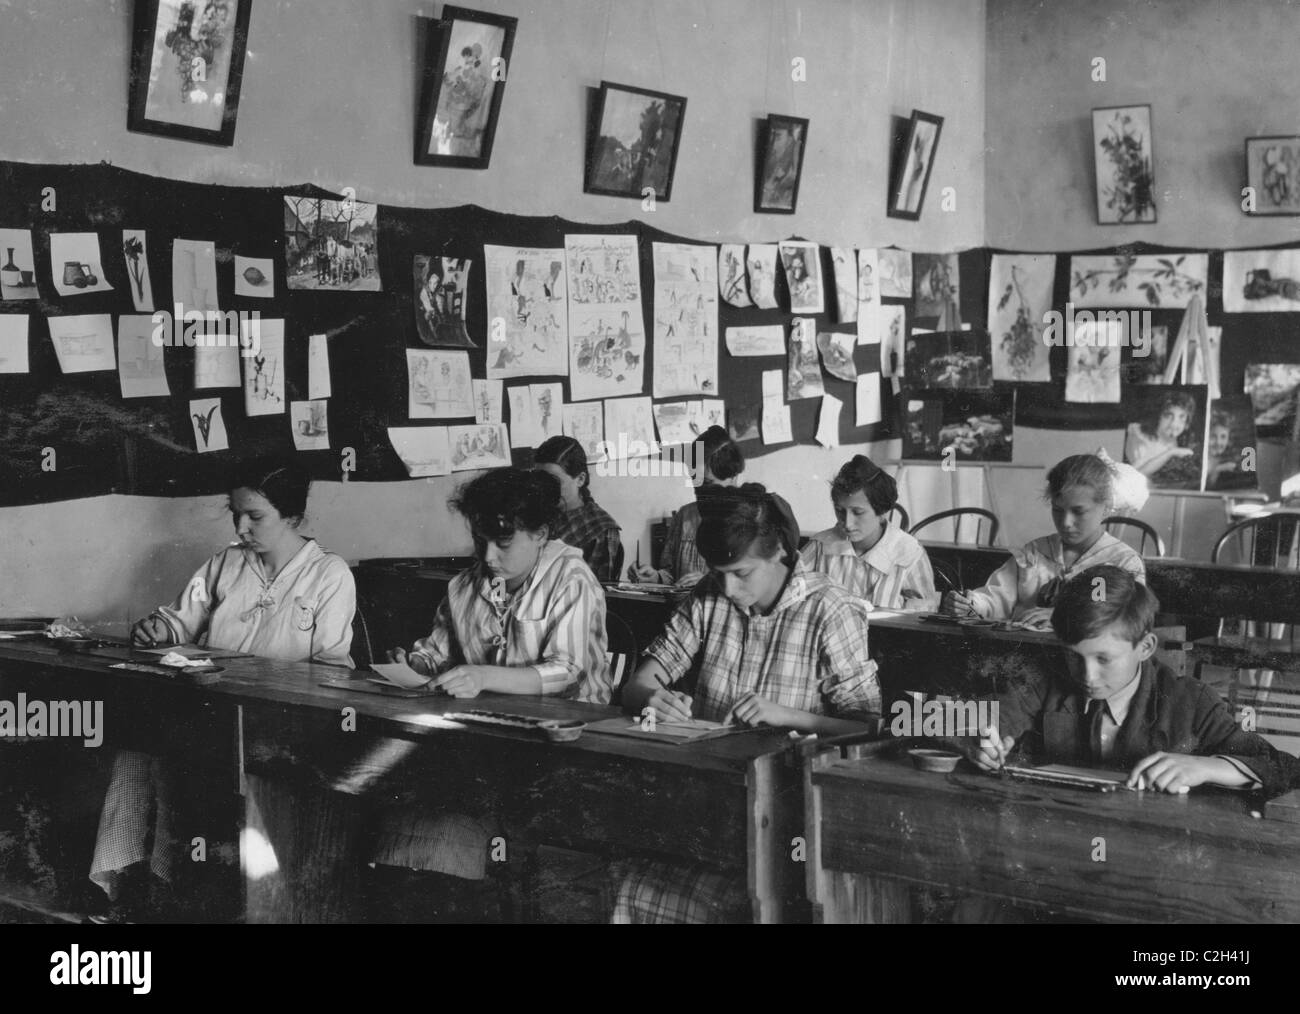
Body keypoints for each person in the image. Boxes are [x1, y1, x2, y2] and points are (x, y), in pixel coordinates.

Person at [90, 458, 355, 918]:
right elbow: (181, 617)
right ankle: (129, 886)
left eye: (256, 516)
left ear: (292, 516)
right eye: (235, 514)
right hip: (208, 705)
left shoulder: (328, 575)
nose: (242, 526)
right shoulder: (227, 562)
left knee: (185, 764)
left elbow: (331, 670)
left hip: (280, 719)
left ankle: (176, 890)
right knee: (136, 753)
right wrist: (162, 629)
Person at [614, 484, 881, 923]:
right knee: (633, 881)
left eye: (741, 573)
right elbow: (640, 683)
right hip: (713, 798)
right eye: (719, 573)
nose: (728, 587)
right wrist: (652, 699)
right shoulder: (710, 594)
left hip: (792, 814)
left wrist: (786, 715)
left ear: (779, 551)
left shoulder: (830, 609)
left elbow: (868, 728)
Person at [370, 469, 609, 903]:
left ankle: (468, 881)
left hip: (567, 752)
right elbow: (436, 649)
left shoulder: (571, 579)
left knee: (462, 811)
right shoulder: (466, 586)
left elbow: (567, 671)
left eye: (503, 543)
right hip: (490, 741)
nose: (490, 556)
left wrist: (482, 676)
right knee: (406, 803)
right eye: (480, 541)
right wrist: (414, 662)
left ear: (541, 533)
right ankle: (447, 882)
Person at [967, 566, 1296, 796]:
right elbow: (965, 719)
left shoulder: (1192, 702)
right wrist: (976, 741)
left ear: (1146, 647)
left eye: (1104, 659)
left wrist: (1208, 767)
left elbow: (1284, 768)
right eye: (1073, 656)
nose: (1087, 676)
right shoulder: (1044, 684)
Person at [942, 454, 1146, 627]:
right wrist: (971, 605)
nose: (1066, 522)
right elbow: (997, 598)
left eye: (1078, 511)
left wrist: (1064, 617)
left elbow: (1128, 620)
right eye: (1057, 510)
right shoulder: (1034, 553)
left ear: (1106, 506)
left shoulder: (1122, 561)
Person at [801, 455, 937, 611]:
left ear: (881, 512)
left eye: (858, 512)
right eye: (840, 511)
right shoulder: (819, 546)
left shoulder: (909, 553)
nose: (847, 523)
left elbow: (926, 611)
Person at [627, 425, 744, 587]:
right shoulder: (684, 516)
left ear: (733, 477)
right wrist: (656, 577)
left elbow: (754, 583)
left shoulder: (751, 519)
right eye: (695, 482)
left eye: (708, 483)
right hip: (684, 608)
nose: (700, 490)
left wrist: (711, 582)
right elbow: (671, 574)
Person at [534, 435, 624, 582]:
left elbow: (596, 596)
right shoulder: (533, 512)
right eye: (539, 479)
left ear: (580, 479)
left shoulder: (600, 531)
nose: (543, 489)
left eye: (554, 482)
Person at [1124, 390, 1200, 488]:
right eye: (1169, 416)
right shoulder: (1139, 434)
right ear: (1158, 416)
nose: (1174, 424)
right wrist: (1170, 453)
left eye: (1181, 417)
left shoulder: (1174, 441)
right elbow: (1138, 474)